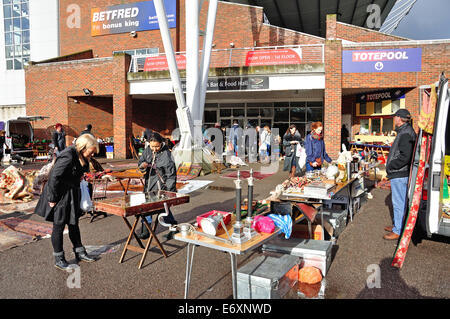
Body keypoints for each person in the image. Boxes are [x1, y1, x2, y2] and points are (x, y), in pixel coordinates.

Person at [34, 134, 99, 270]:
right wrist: (52, 198)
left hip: (72, 192)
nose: (92, 154)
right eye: (91, 151)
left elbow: (78, 172)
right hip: (60, 194)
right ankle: (59, 258)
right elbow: (54, 176)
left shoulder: (83, 156)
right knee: (58, 226)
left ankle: (80, 252)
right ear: (83, 147)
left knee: (73, 223)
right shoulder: (68, 155)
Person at [137, 132, 178, 240]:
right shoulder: (147, 151)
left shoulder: (167, 155)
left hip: (161, 186)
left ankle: (173, 227)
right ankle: (146, 230)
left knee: (163, 209)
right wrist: (142, 165)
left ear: (161, 143)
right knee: (147, 207)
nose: (154, 149)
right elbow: (140, 163)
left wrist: (170, 190)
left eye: (157, 146)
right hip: (149, 184)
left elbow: (171, 174)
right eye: (152, 146)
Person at [384, 109, 416, 240]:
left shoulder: (406, 133)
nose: (394, 119)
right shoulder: (405, 131)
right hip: (399, 173)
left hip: (399, 174)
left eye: (395, 117)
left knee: (399, 203)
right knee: (399, 202)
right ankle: (397, 225)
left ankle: (398, 230)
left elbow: (405, 156)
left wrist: (391, 166)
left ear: (399, 118)